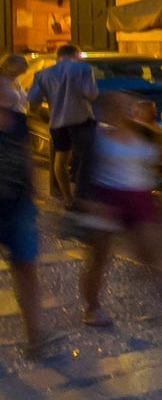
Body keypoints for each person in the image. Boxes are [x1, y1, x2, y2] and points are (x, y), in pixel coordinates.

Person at [77, 94, 162, 328]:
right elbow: (84, 170)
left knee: (152, 254)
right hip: (107, 196)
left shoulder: (145, 134)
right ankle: (92, 308)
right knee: (99, 257)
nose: (122, 110)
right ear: (106, 110)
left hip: (139, 196)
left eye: (126, 106)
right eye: (116, 105)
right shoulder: (98, 136)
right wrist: (89, 201)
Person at [0, 54, 55, 356]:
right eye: (6, 87)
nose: (12, 91)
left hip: (19, 206)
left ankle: (36, 337)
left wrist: (34, 197)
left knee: (27, 269)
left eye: (10, 87)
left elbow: (27, 160)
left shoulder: (19, 123)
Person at [29, 43, 100, 202]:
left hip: (57, 121)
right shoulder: (84, 69)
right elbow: (91, 93)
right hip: (81, 119)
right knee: (86, 157)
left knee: (61, 159)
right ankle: (82, 195)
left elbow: (34, 99)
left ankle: (67, 198)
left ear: (58, 56)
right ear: (76, 54)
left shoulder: (42, 74)